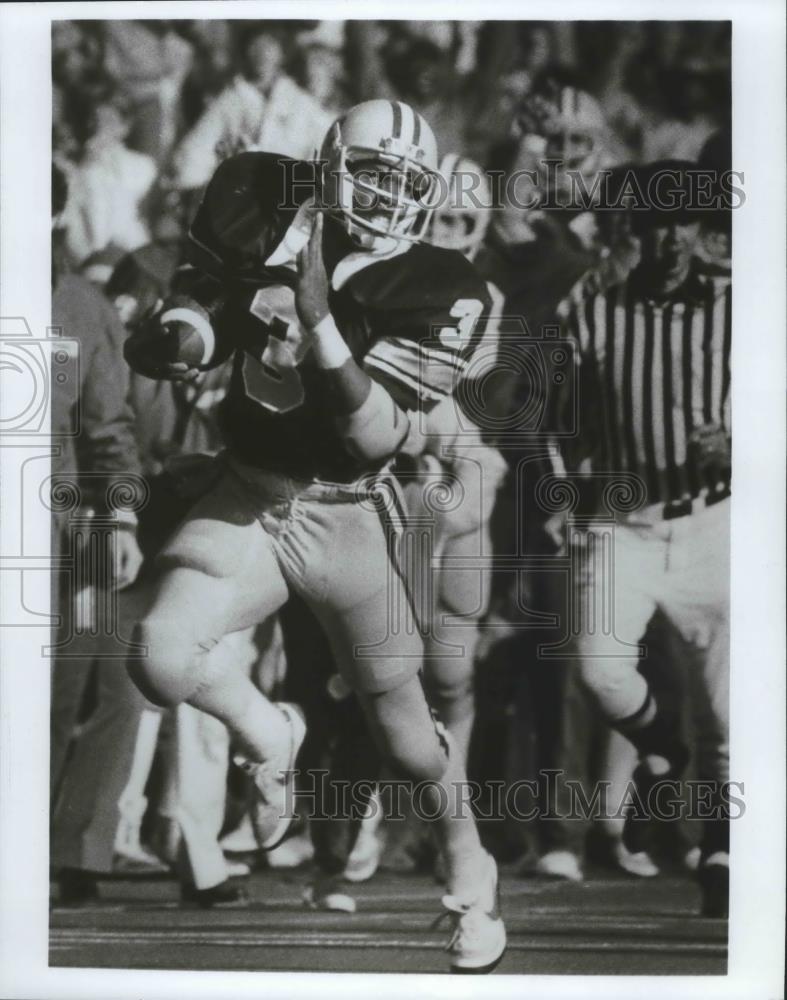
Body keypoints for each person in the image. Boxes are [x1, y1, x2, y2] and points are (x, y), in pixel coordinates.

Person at [124, 100, 506, 973]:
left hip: (347, 511)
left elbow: (373, 434)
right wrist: (181, 337)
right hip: (252, 490)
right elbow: (205, 300)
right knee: (157, 652)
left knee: (406, 736)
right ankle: (270, 734)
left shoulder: (445, 285)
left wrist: (320, 315)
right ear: (331, 163)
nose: (386, 195)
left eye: (406, 182)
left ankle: (470, 871)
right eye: (371, 173)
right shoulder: (259, 190)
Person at [562, 160, 731, 918]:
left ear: (703, 231)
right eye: (657, 223)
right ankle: (662, 750)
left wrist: (743, 440)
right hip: (622, 520)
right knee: (596, 670)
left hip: (714, 516)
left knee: (731, 706)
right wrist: (560, 491)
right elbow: (550, 412)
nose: (671, 240)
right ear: (635, 229)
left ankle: (725, 852)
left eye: (684, 223)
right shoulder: (592, 307)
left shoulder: (742, 307)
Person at [50, 166, 146, 903]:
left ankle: (67, 852)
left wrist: (118, 517)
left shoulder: (80, 305)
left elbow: (109, 426)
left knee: (66, 688)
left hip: (62, 526)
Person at [171, 26, 332, 192]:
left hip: (291, 194)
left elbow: (323, 144)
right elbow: (196, 149)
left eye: (269, 45)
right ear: (245, 51)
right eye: (256, 46)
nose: (263, 53)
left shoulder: (300, 101)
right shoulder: (232, 98)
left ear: (282, 51)